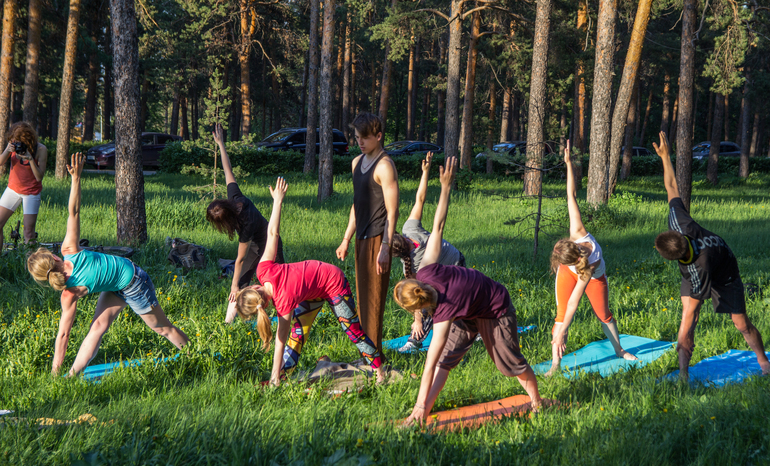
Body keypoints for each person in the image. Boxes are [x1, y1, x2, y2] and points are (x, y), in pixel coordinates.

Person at [392, 157, 542, 425]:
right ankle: (423, 415)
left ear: (417, 305)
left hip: (495, 307)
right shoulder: (427, 269)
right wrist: (446, 186)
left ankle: (538, 403)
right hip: (468, 309)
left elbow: (427, 363)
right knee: (445, 361)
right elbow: (438, 226)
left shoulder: (442, 314)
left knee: (508, 364)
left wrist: (416, 403)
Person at [26, 153, 188, 376]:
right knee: (97, 328)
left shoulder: (68, 292)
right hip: (120, 283)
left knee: (161, 328)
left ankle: (195, 355)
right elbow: (73, 211)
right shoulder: (69, 251)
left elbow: (63, 335)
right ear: (53, 258)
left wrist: (55, 365)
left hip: (133, 281)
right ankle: (70, 376)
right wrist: (75, 179)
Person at [235, 177, 385, 385]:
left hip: (332, 281)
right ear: (252, 287)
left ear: (264, 304)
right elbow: (272, 233)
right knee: (297, 336)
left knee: (351, 329)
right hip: (313, 290)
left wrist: (272, 376)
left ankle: (380, 371)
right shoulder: (263, 271)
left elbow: (279, 342)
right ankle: (281, 377)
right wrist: (277, 200)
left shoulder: (282, 299)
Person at [652, 131, 770, 382]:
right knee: (687, 318)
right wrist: (665, 156)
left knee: (741, 324)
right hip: (707, 260)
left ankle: (763, 360)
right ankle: (683, 373)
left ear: (674, 258)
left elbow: (696, 311)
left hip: (725, 272)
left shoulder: (698, 269)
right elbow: (671, 186)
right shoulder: (679, 222)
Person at [545, 141, 637, 377]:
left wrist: (566, 330)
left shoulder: (590, 264)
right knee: (559, 316)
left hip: (595, 278)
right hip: (571, 274)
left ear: (574, 254)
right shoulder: (576, 233)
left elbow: (576, 301)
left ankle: (619, 350)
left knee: (603, 315)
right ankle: (555, 365)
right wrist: (568, 164)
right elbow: (571, 195)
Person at [205, 125, 284, 323]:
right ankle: (226, 324)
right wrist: (221, 144)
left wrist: (233, 286)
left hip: (271, 245)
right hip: (257, 245)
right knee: (240, 284)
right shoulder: (235, 197)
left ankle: (285, 316)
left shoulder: (245, 223)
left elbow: (240, 260)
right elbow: (227, 169)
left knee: (278, 285)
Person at [336, 113, 399, 351]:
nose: (360, 142)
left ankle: (375, 359)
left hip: (377, 239)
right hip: (361, 239)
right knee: (362, 301)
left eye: (365, 137)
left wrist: (385, 247)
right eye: (357, 137)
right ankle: (367, 354)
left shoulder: (385, 166)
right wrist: (345, 239)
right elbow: (357, 205)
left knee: (373, 302)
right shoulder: (356, 163)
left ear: (379, 136)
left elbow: (393, 213)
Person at [390, 152, 465, 351]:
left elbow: (420, 199)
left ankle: (416, 340)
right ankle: (422, 336)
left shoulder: (416, 258)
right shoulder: (409, 239)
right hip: (448, 263)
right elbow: (420, 199)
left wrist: (425, 172)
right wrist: (426, 172)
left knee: (436, 304)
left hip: (456, 265)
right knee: (436, 303)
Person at [0, 122, 48, 246]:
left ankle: (30, 265)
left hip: (31, 193)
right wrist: (8, 150)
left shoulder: (41, 149)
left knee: (29, 233)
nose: (17, 144)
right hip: (13, 189)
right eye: (14, 141)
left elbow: (39, 177)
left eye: (19, 142)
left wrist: (30, 159)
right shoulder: (13, 145)